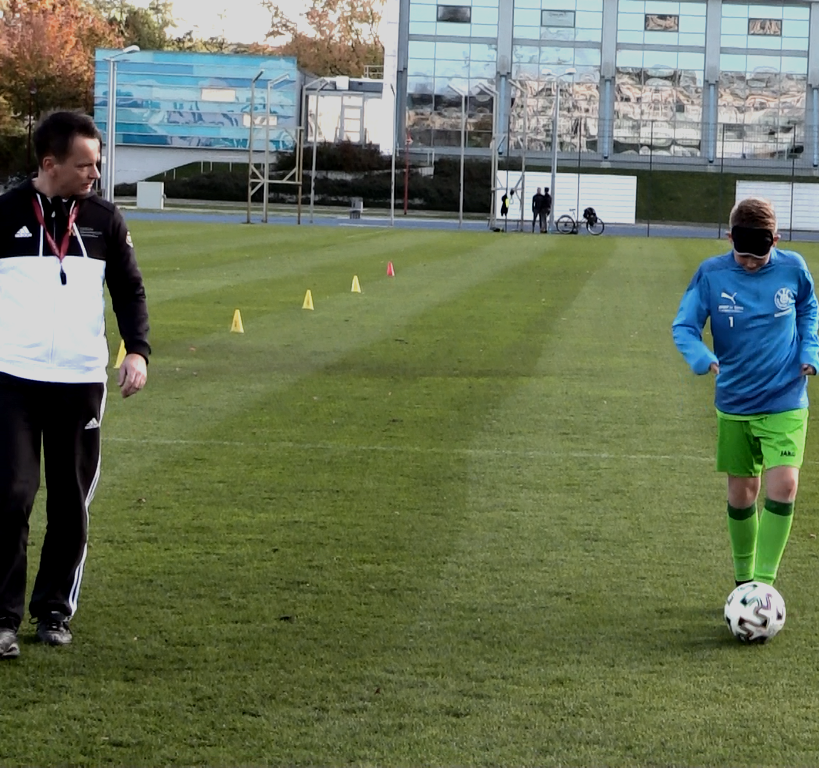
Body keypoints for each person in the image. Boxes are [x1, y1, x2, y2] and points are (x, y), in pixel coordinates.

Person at [0, 111, 150, 660]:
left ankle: (54, 611)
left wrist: (137, 350)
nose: (96, 172)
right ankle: (2, 617)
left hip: (79, 381)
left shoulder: (105, 220)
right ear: (50, 164)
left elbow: (129, 291)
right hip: (11, 378)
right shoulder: (7, 212)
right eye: (85, 164)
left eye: (98, 161)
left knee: (70, 503)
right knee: (11, 493)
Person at [672, 197, 818, 593]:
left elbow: (808, 309)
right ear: (728, 238)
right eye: (743, 254)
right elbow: (684, 326)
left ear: (776, 239)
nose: (751, 262)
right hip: (735, 401)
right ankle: (743, 579)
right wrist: (701, 355)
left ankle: (762, 589)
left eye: (760, 254)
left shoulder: (794, 269)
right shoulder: (711, 274)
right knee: (743, 492)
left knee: (784, 485)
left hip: (785, 397)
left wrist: (810, 351)